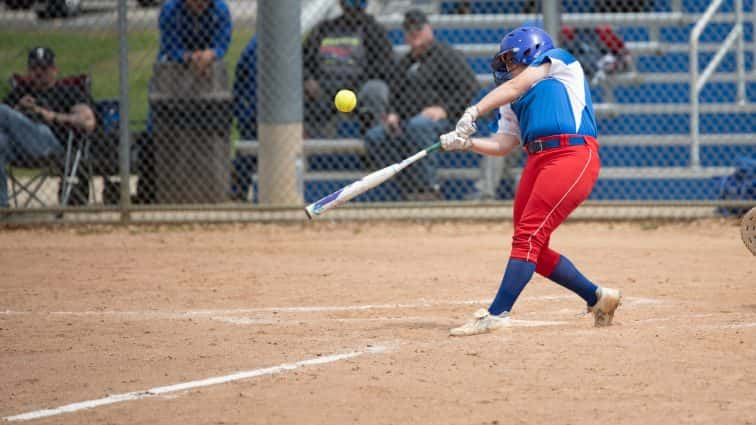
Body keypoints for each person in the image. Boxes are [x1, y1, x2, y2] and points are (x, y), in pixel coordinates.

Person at [440, 26, 622, 336]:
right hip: (537, 161)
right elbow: (504, 143)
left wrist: (474, 110)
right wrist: (467, 144)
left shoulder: (558, 62)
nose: (509, 69)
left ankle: (497, 314)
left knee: (528, 238)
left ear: (531, 50)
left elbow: (519, 84)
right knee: (531, 248)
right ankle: (598, 297)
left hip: (571, 154)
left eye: (512, 61)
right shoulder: (514, 97)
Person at [364, 9, 480, 201]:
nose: (414, 33)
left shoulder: (446, 55)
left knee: (419, 126)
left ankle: (429, 188)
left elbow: (470, 87)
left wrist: (444, 109)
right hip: (409, 121)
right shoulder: (405, 63)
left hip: (446, 121)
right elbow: (395, 96)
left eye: (418, 28)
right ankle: (405, 187)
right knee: (375, 136)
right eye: (409, 30)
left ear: (429, 30)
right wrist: (393, 114)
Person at [136, 0, 233, 204]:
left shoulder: (219, 9)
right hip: (172, 77)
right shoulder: (171, 10)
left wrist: (210, 54)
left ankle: (209, 191)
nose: (199, 4)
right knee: (158, 129)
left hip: (209, 79)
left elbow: (222, 43)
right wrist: (190, 58)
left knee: (206, 134)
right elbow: (170, 47)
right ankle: (152, 191)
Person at [1, 47, 96, 208]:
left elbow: (88, 121)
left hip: (51, 146)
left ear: (54, 70)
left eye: (44, 68)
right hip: (18, 149)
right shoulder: (20, 92)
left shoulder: (68, 91)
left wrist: (51, 116)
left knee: (2, 111)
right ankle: (1, 206)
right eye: (34, 68)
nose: (38, 72)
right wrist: (18, 110)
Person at [302, 0, 394, 137]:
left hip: (356, 91)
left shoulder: (373, 29)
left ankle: (373, 143)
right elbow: (302, 60)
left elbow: (382, 67)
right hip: (321, 91)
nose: (352, 10)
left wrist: (353, 86)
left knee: (376, 89)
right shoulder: (324, 29)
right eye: (348, 5)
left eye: (356, 6)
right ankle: (298, 150)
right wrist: (308, 79)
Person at [230, 36, 257, 201]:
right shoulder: (254, 47)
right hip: (252, 111)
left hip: (254, 109)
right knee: (246, 156)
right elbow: (240, 81)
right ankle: (238, 190)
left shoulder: (288, 44)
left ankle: (239, 189)